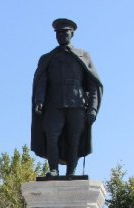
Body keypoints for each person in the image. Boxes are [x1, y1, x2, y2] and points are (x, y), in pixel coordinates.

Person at [31, 18, 104, 177]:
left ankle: (71, 171)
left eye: (65, 32)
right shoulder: (48, 58)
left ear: (72, 34)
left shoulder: (82, 56)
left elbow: (93, 84)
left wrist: (92, 108)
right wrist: (39, 100)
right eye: (58, 33)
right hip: (53, 105)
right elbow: (42, 81)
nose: (61, 35)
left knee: (74, 139)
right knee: (51, 136)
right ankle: (54, 169)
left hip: (76, 105)